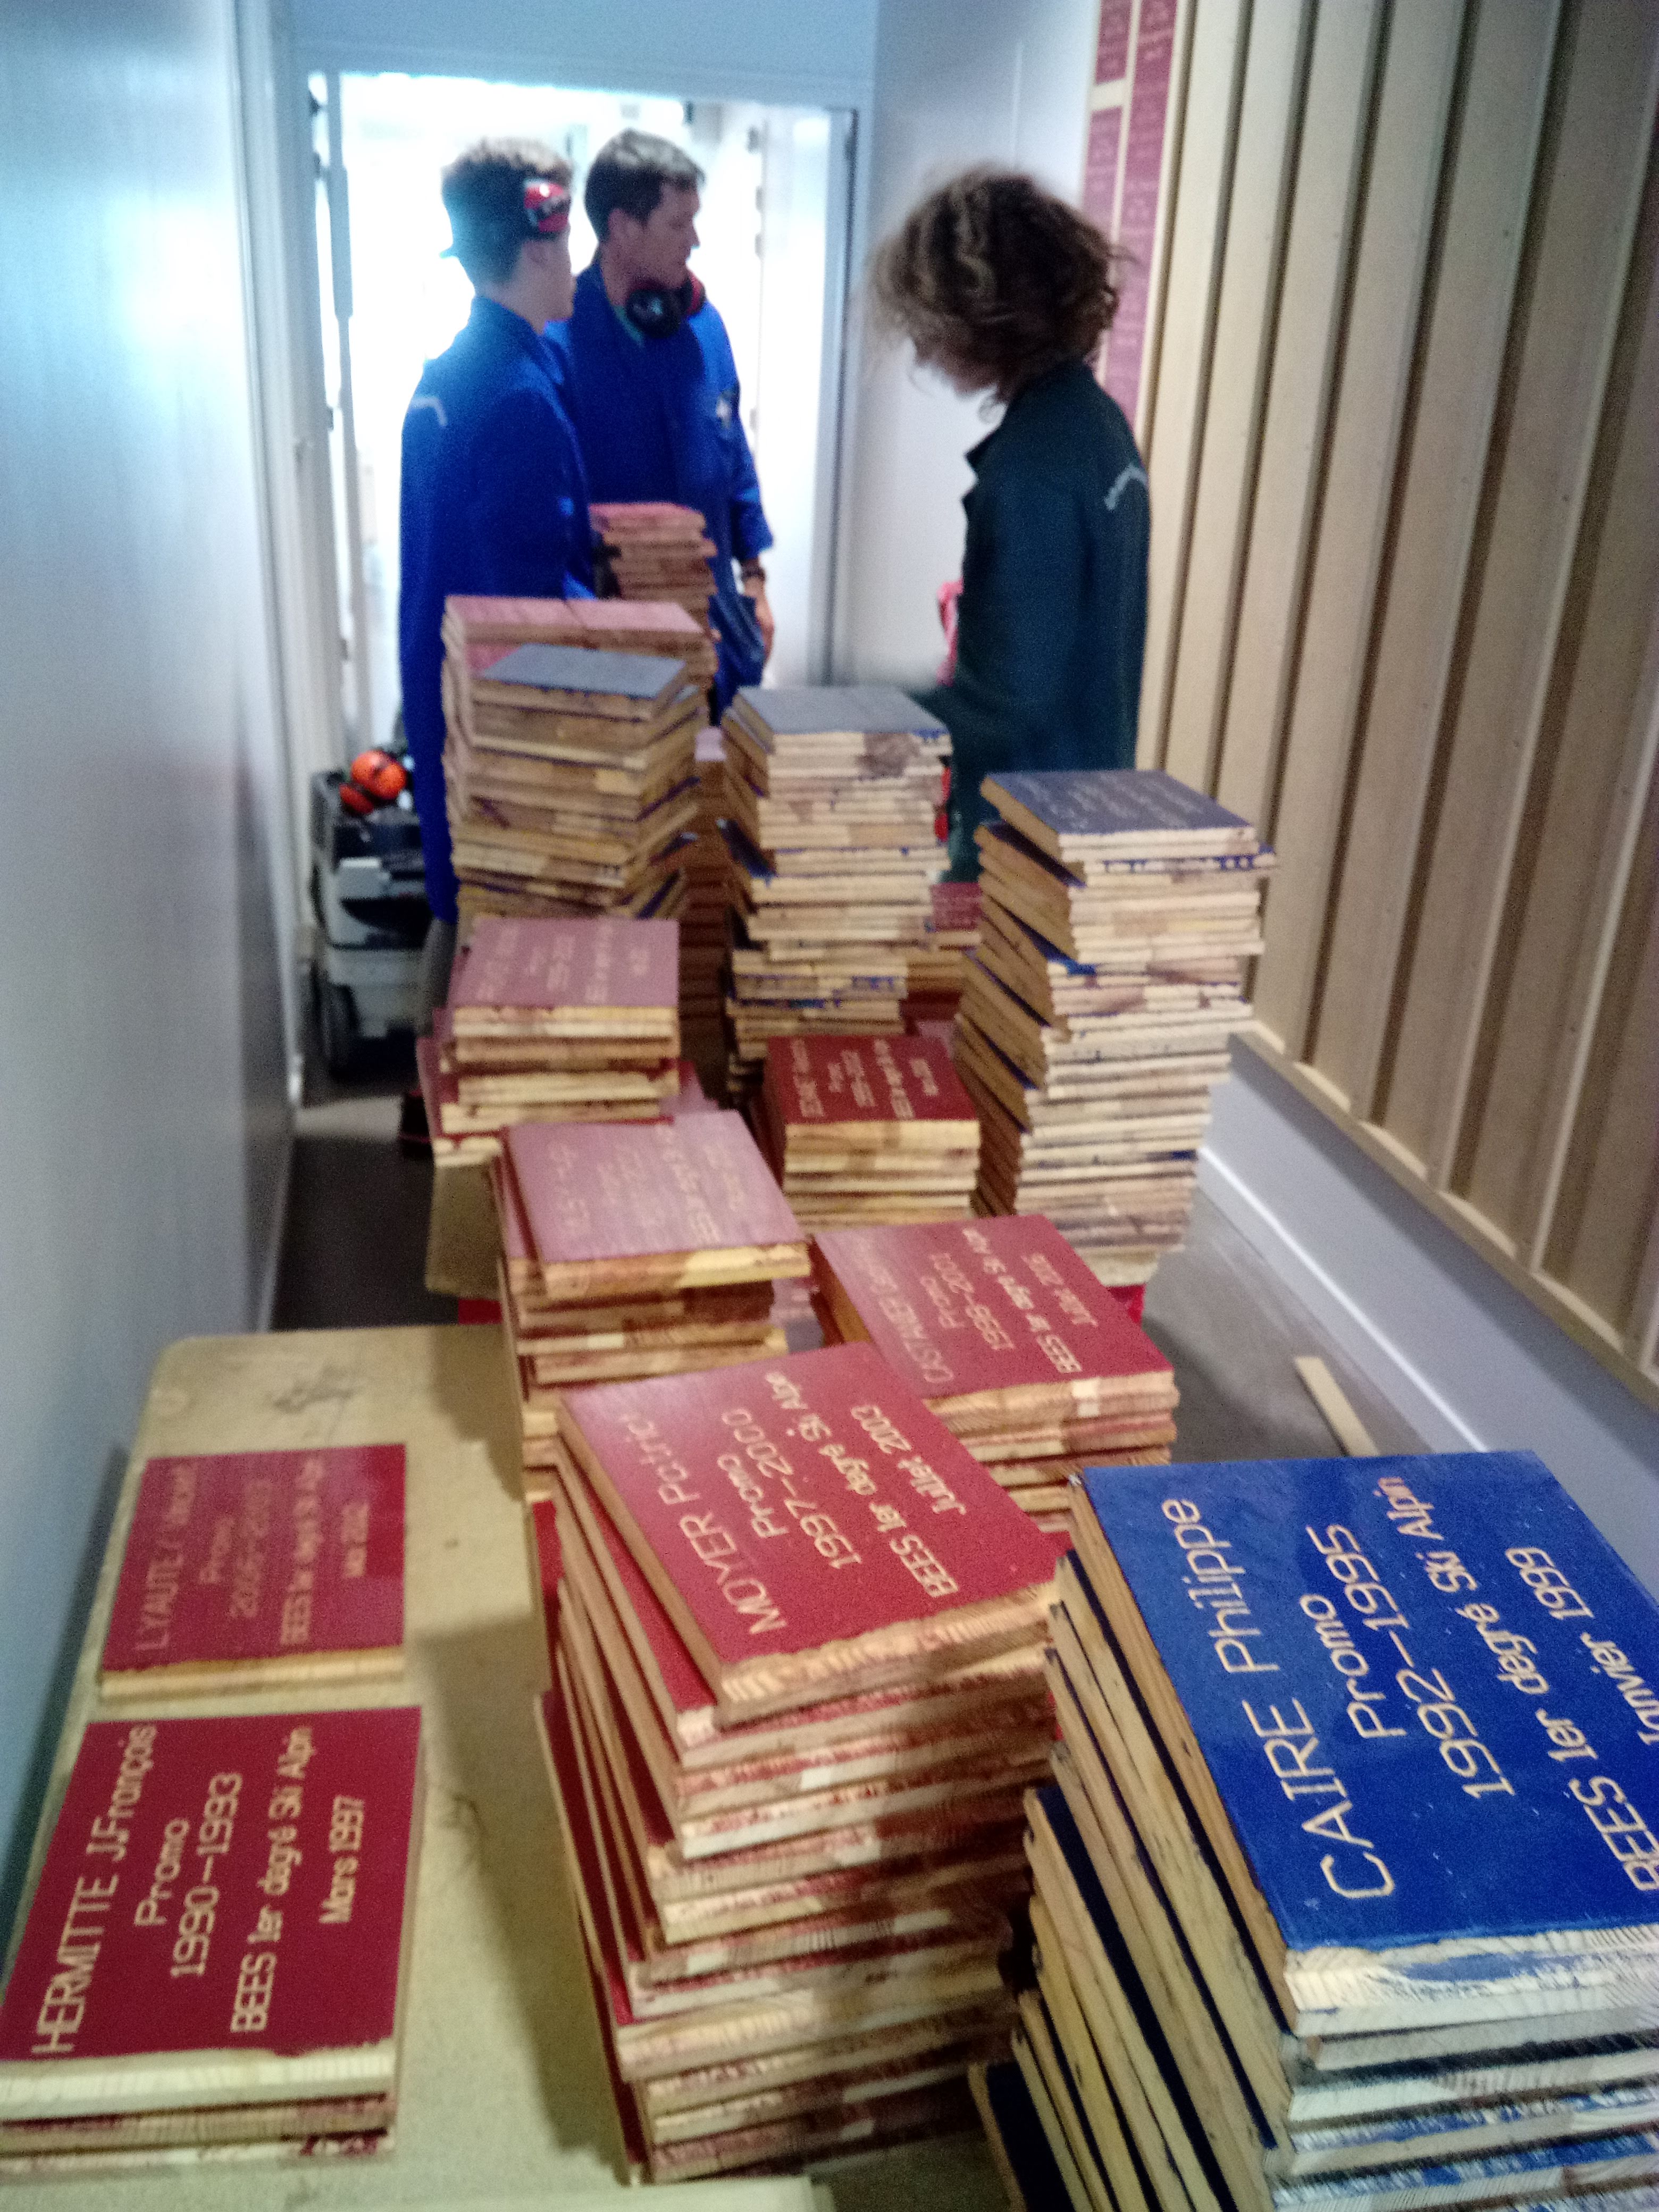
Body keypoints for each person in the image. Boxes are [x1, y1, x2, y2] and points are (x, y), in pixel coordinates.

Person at [870, 167, 1147, 881]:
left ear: (984, 316)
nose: (923, 350)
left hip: (1021, 842)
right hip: (1088, 798)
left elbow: (1007, 704)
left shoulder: (1032, 468)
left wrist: (856, 712)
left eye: (931, 326)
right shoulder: (1099, 427)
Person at [398, 139, 593, 1019]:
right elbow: (535, 614)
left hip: (443, 691)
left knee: (456, 908)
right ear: (542, 246)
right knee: (497, 946)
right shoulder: (520, 399)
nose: (576, 263)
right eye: (569, 241)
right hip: (507, 727)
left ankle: (430, 1085)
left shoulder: (445, 378)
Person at [547, 129, 773, 709]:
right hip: (617, 635)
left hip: (717, 625)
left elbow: (733, 455)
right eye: (679, 224)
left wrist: (755, 580)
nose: (695, 241)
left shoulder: (704, 327)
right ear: (623, 227)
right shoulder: (558, 342)